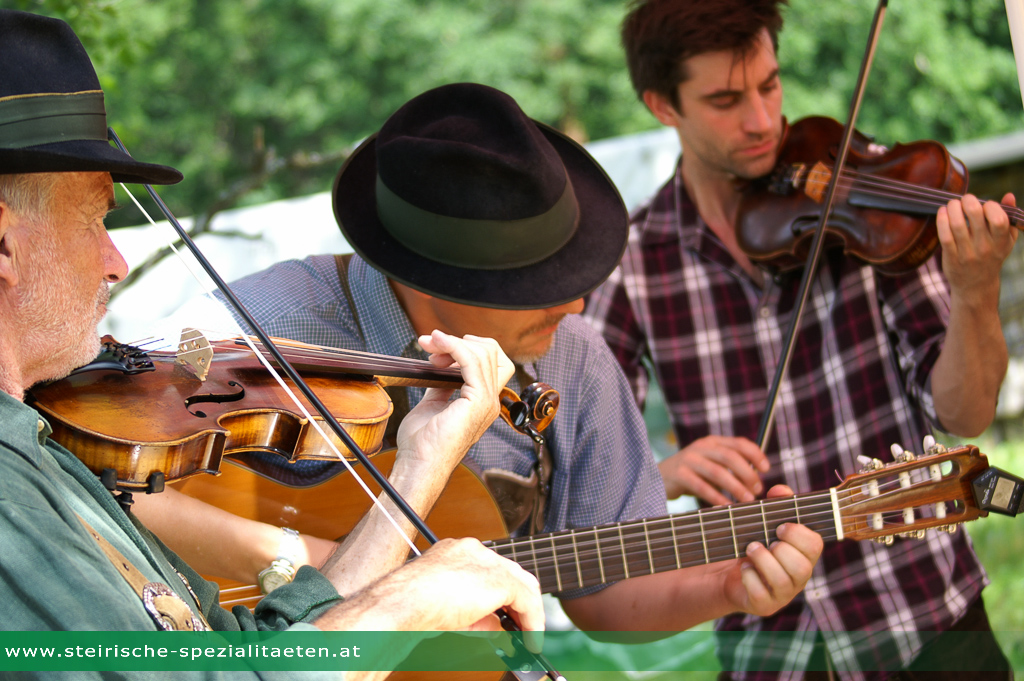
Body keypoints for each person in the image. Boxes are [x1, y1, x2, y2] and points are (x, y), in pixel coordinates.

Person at [139, 82, 824, 634]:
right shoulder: (249, 328)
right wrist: (315, 563)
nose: (577, 308)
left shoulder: (572, 360)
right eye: (541, 286)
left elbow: (603, 593)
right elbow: (86, 473)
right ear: (434, 277)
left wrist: (729, 587)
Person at [0, 10, 546, 679]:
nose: (114, 261)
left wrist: (418, 467)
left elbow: (250, 655)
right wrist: (411, 598)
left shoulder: (41, 460)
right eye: (94, 217)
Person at [582, 0, 1017, 678]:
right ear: (662, 106)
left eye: (770, 84)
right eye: (725, 99)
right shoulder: (634, 264)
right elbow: (588, 469)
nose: (762, 120)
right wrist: (661, 474)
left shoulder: (866, 205)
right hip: (769, 649)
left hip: (925, 618)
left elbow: (965, 414)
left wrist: (976, 291)